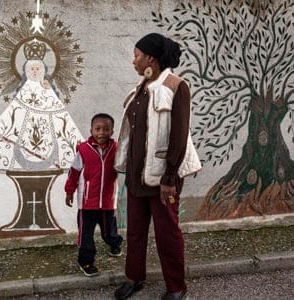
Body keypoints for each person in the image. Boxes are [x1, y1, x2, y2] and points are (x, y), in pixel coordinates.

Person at [113, 33, 201, 300]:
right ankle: (134, 277)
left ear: (151, 57)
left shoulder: (177, 86)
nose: (134, 61)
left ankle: (176, 286)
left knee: (167, 234)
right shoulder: (137, 91)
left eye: (137, 56)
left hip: (164, 179)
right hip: (137, 177)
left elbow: (180, 135)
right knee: (135, 231)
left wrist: (170, 178)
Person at [65, 113, 123, 277]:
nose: (101, 132)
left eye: (106, 129)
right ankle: (86, 262)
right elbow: (74, 172)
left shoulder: (117, 149)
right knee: (86, 236)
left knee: (109, 231)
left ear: (112, 131)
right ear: (91, 130)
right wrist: (69, 191)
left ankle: (114, 243)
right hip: (87, 203)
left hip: (107, 201)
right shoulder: (83, 150)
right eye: (97, 129)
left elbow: (124, 166)